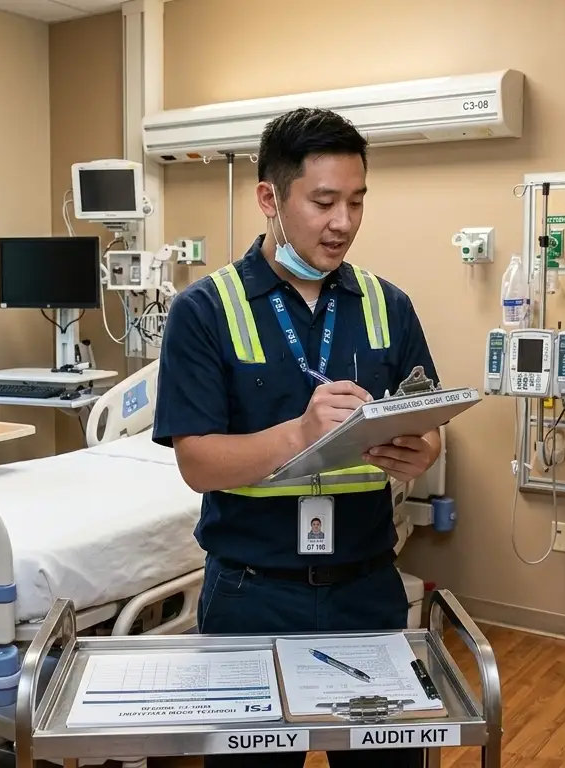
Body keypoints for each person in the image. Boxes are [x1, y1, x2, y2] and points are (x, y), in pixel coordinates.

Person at [153, 106, 442, 768]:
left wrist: (420, 452)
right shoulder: (206, 311)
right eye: (323, 202)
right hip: (254, 595)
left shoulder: (388, 306)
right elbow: (198, 464)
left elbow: (428, 429)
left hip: (367, 589)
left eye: (357, 201)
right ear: (270, 199)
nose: (344, 222)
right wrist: (301, 432)